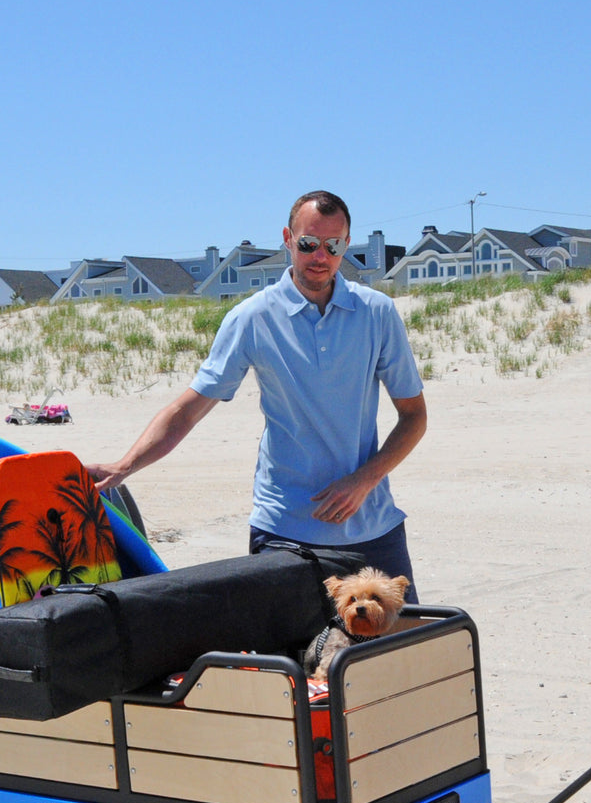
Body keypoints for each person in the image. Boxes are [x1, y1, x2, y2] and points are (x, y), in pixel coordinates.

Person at [89, 190, 427, 597]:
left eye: (333, 246)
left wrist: (363, 480)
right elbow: (189, 409)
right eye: (308, 244)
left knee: (399, 655)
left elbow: (414, 417)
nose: (320, 256)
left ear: (345, 246)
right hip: (285, 532)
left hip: (374, 530)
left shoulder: (377, 312)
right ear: (288, 239)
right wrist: (123, 466)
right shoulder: (253, 318)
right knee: (287, 661)